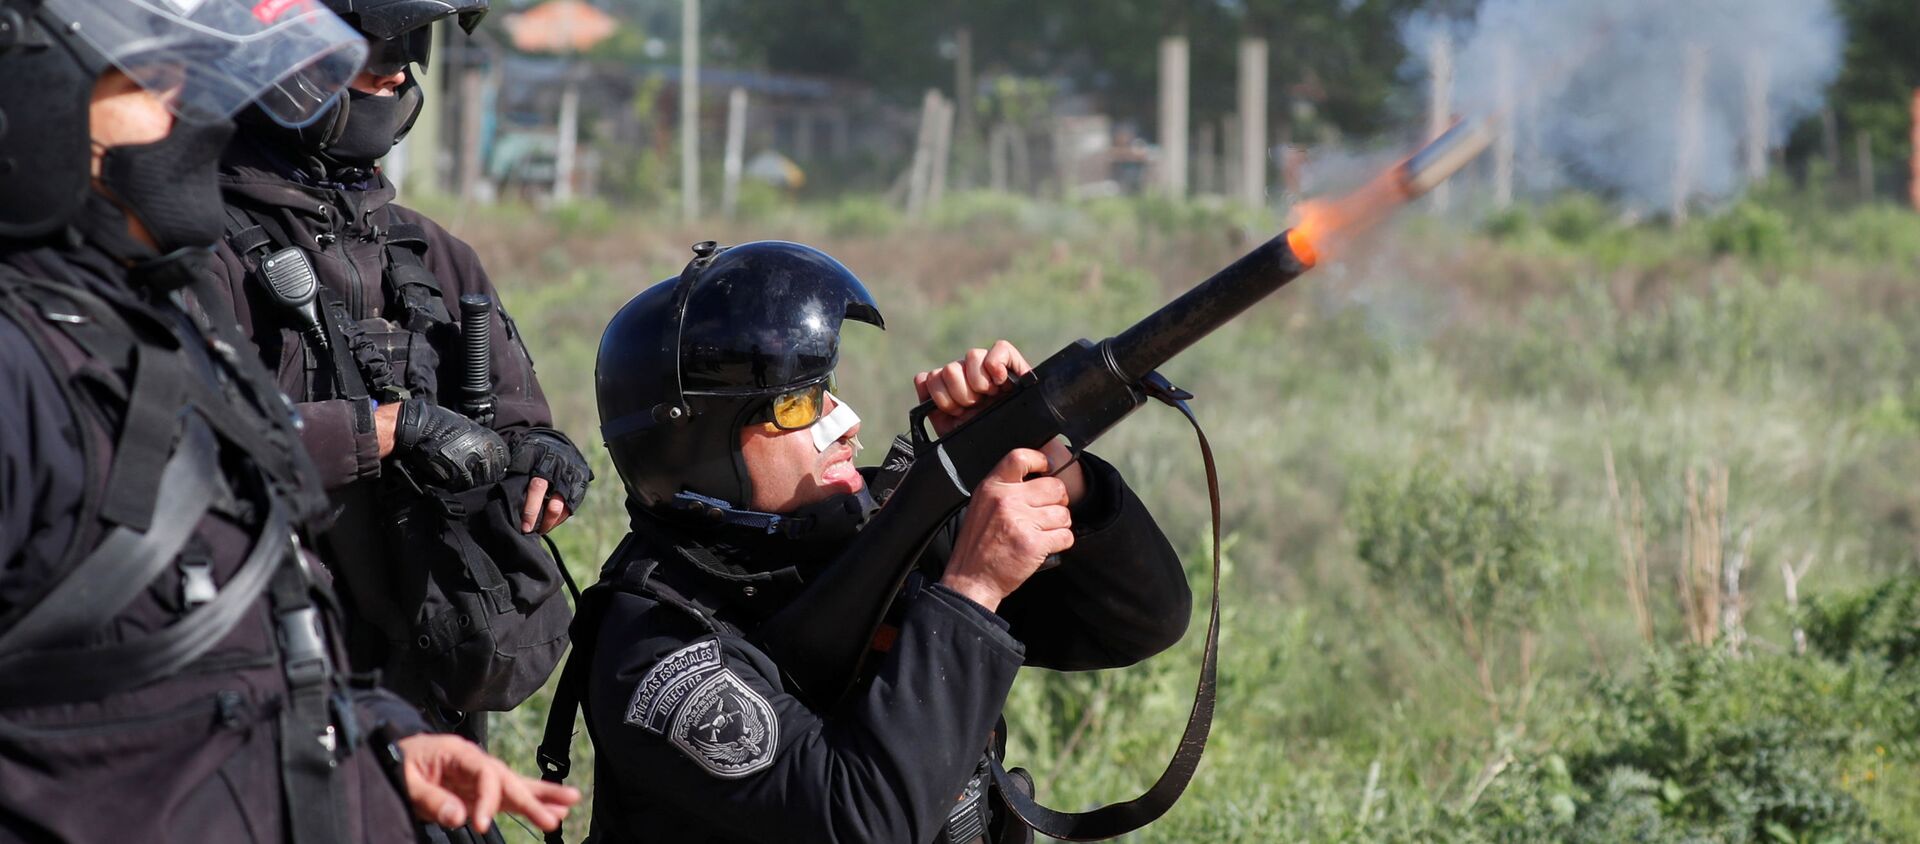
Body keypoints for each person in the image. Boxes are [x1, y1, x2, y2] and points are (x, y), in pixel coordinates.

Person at [0, 0, 577, 840]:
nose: (187, 114)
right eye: (153, 87)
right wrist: (383, 431)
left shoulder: (429, 253)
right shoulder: (53, 349)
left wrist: (372, 735)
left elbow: (236, 650)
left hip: (378, 689)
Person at [553, 240, 1193, 843]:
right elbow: (857, 822)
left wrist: (1057, 473)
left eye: (826, 390)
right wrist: (970, 590)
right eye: (796, 407)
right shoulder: (656, 645)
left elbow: (1140, 621)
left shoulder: (867, 525)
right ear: (698, 445)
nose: (847, 422)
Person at [195, 0, 592, 747]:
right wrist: (382, 430)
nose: (398, 69)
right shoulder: (198, 249)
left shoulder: (435, 254)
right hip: (265, 692)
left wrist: (541, 462)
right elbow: (192, 444)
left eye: (412, 45)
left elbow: (518, 422)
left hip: (428, 697)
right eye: (370, 49)